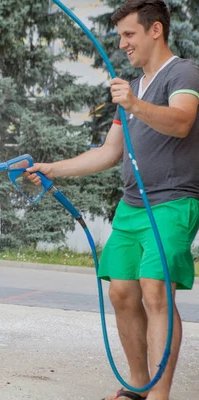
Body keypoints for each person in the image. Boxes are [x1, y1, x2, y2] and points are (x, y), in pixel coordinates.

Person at [26, 1, 199, 399]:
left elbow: (181, 120)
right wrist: (53, 168)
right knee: (121, 292)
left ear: (155, 30)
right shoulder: (133, 88)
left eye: (129, 34)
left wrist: (135, 105)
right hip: (132, 206)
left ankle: (160, 395)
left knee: (156, 290)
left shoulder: (184, 73)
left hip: (172, 202)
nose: (122, 43)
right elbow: (108, 152)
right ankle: (138, 388)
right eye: (119, 35)